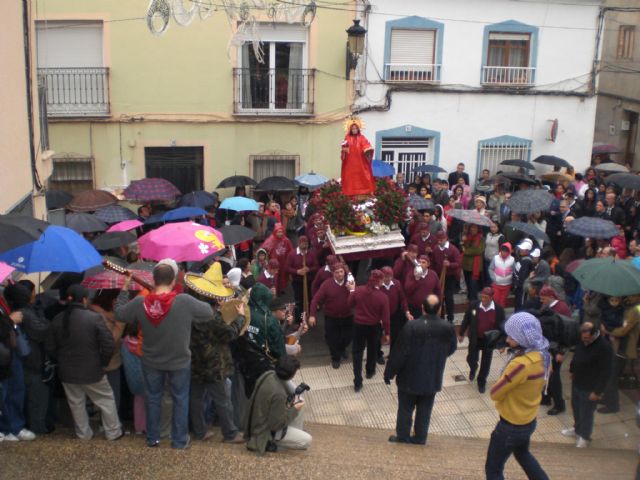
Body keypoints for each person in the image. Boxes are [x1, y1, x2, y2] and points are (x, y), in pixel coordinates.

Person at [115, 259, 215, 449]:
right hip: (179, 360)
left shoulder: (139, 303)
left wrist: (125, 288)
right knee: (180, 398)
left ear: (153, 280)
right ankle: (179, 440)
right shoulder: (184, 301)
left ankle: (153, 438)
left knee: (153, 398)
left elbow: (120, 313)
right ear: (173, 280)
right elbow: (208, 312)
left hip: (151, 360)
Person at [47, 285, 123, 441]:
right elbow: (108, 344)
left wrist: (61, 360)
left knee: (76, 403)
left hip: (67, 370)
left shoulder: (58, 319)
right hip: (92, 369)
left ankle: (84, 434)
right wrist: (102, 362)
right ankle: (113, 432)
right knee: (106, 400)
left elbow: (50, 347)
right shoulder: (93, 318)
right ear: (84, 299)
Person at [485, 312, 550, 480]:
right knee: (523, 454)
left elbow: (495, 393)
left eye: (512, 337)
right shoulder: (544, 356)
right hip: (528, 420)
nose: (507, 340)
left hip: (510, 426)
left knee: (493, 470)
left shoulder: (520, 364)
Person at [183, 268, 246, 444]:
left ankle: (199, 430)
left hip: (195, 359)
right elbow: (229, 333)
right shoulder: (209, 315)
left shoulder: (190, 309)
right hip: (213, 363)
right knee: (223, 400)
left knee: (195, 397)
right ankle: (230, 433)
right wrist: (240, 317)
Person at [384, 294, 456, 445]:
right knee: (425, 410)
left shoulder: (411, 327)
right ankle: (420, 438)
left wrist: (389, 373)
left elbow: (400, 353)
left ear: (422, 308)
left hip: (409, 378)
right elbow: (451, 348)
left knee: (405, 409)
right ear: (439, 310)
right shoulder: (447, 327)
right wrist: (437, 358)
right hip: (432, 378)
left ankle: (403, 437)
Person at [244, 355, 311, 454]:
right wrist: (294, 409)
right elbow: (276, 424)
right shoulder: (279, 394)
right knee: (307, 440)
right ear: (291, 375)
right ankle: (277, 442)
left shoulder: (269, 374)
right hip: (264, 433)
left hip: (256, 420)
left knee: (300, 405)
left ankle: (292, 434)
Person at [562, 322, 613, 448]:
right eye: (582, 337)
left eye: (586, 338)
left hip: (590, 386)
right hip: (577, 382)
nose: (584, 340)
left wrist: (597, 392)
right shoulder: (582, 341)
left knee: (586, 412)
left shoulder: (604, 347)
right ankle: (577, 429)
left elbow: (606, 372)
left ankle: (585, 437)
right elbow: (577, 355)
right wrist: (573, 370)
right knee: (576, 408)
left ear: (594, 334)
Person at [347, 270, 390, 392]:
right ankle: (370, 371)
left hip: (359, 325)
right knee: (372, 348)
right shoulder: (383, 297)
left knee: (357, 353)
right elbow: (386, 319)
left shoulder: (358, 290)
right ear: (380, 281)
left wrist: (351, 290)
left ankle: (357, 381)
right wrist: (387, 333)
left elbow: (349, 303)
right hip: (373, 327)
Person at [459, 287, 505, 393]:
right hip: (475, 338)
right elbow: (466, 319)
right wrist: (461, 333)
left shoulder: (498, 310)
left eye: (486, 297)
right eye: (482, 297)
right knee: (471, 358)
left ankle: (481, 381)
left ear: (491, 298)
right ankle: (473, 368)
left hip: (489, 341)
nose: (483, 299)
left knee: (486, 362)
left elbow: (501, 327)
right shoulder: (474, 305)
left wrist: (501, 343)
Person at [309, 262, 352, 369]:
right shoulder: (326, 284)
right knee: (333, 339)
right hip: (331, 317)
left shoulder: (350, 282)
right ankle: (335, 358)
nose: (340, 274)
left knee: (347, 337)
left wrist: (352, 289)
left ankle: (342, 349)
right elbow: (315, 300)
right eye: (337, 272)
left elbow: (357, 296)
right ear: (333, 273)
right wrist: (312, 315)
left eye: (341, 272)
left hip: (347, 316)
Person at [431, 231, 462, 323]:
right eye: (438, 240)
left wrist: (450, 264)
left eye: (441, 240)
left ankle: (450, 317)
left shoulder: (453, 249)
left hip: (450, 276)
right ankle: (440, 316)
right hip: (439, 275)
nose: (439, 242)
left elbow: (458, 263)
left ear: (446, 239)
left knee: (448, 297)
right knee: (439, 296)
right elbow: (433, 262)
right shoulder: (436, 249)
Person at [340, 118, 375, 196]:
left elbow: (367, 146)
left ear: (358, 129)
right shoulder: (347, 138)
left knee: (364, 177)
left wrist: (368, 150)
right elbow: (344, 150)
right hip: (350, 164)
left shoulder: (362, 138)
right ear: (350, 129)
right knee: (350, 179)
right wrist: (344, 149)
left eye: (356, 128)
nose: (354, 130)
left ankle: (364, 192)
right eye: (352, 128)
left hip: (361, 163)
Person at [380, 266, 412, 350]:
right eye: (387, 277)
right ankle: (378, 354)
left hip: (394, 314)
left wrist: (407, 311)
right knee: (379, 337)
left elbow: (402, 299)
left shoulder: (397, 283)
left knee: (395, 335)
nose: (389, 278)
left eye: (390, 276)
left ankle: (392, 353)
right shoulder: (378, 286)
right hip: (381, 316)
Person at [260, 223, 293, 294]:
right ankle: (274, 292)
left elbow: (290, 251)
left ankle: (281, 289)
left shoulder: (286, 240)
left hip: (283, 263)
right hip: (274, 264)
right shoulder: (270, 240)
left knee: (283, 276)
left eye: (282, 232)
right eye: (279, 232)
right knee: (274, 278)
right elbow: (263, 250)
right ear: (275, 232)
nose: (280, 234)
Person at [462, 224, 485, 301]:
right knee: (468, 284)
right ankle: (470, 298)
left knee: (473, 285)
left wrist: (466, 251)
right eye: (471, 227)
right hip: (466, 265)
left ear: (478, 229)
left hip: (475, 266)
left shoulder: (481, 239)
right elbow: (462, 247)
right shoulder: (466, 237)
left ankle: (474, 301)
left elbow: (478, 251)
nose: (473, 229)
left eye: (475, 227)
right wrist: (463, 241)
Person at [488, 242, 513, 308]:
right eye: (502, 251)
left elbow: (514, 271)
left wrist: (511, 278)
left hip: (507, 285)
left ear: (509, 252)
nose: (504, 253)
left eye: (506, 252)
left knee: (503, 301)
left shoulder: (512, 260)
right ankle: (495, 313)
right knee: (496, 300)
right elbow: (490, 269)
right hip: (496, 284)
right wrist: (494, 278)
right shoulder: (495, 258)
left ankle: (501, 315)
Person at [513, 239, 534, 311]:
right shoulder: (521, 258)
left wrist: (517, 285)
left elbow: (523, 276)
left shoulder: (527, 261)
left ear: (527, 251)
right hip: (518, 287)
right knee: (517, 302)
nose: (520, 250)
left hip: (522, 288)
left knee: (520, 303)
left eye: (523, 249)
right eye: (521, 248)